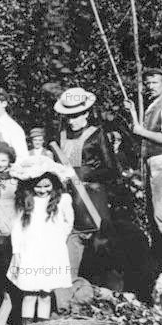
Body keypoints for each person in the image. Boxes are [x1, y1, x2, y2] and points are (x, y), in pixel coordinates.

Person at [54, 87, 117, 288]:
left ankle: (104, 288)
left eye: (75, 116)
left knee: (99, 244)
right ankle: (70, 288)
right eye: (68, 116)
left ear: (86, 113)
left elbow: (112, 169)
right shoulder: (61, 136)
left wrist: (84, 174)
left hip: (91, 198)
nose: (71, 120)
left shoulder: (97, 135)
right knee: (69, 241)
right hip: (67, 196)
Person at [6, 157, 74, 325]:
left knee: (45, 293)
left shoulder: (63, 200)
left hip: (51, 253)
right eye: (38, 186)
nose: (43, 190)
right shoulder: (26, 201)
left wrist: (59, 239)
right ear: (30, 186)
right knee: (29, 293)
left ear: (54, 184)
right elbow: (17, 229)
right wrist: (17, 251)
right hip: (31, 252)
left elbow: (69, 222)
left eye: (47, 186)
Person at [124, 67, 162, 262]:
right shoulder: (153, 106)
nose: (150, 86)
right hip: (152, 163)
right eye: (148, 83)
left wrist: (140, 131)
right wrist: (132, 112)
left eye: (155, 82)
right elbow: (141, 130)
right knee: (152, 212)